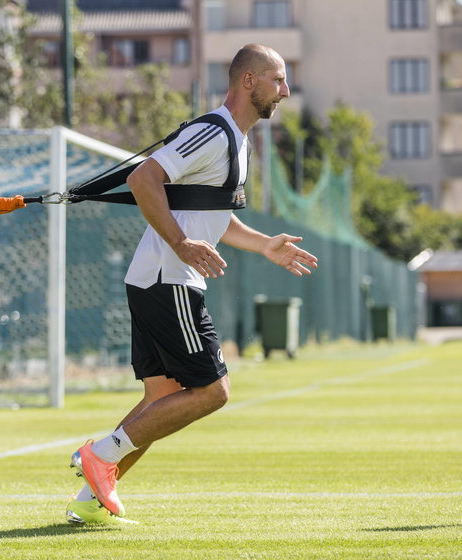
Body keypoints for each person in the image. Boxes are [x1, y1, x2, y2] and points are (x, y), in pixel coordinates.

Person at [65, 43, 319, 524]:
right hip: (169, 278)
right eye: (277, 80)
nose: (285, 91)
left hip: (157, 278)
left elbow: (215, 218)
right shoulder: (213, 132)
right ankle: (100, 454)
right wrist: (182, 244)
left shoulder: (239, 142)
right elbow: (144, 179)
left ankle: (91, 503)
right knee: (212, 391)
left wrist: (266, 245)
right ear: (249, 81)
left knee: (161, 401)